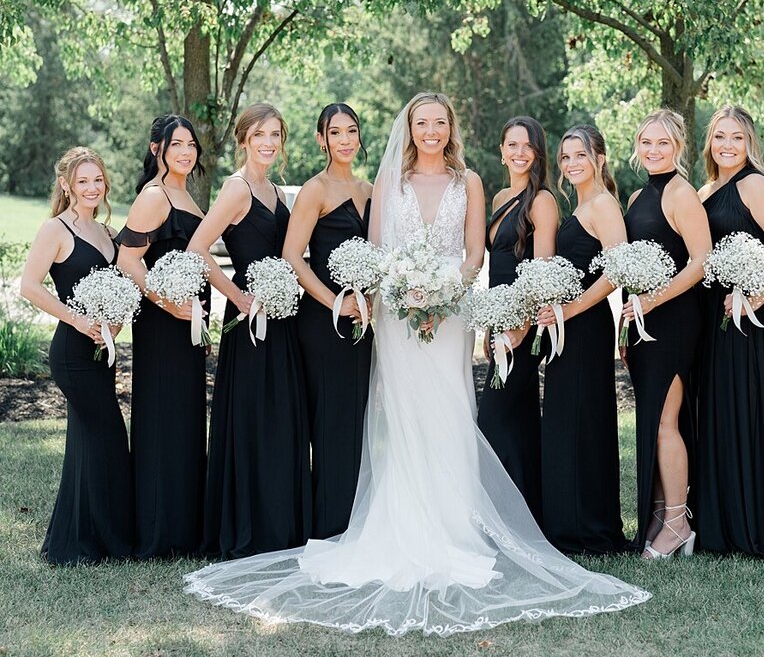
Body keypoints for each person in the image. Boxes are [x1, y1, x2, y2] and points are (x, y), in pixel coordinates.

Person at [183, 93, 649, 636]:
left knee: (449, 414)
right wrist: (403, 289)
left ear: (451, 128)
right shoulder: (389, 184)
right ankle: (399, 526)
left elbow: (475, 252)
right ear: (410, 128)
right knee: (402, 419)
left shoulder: (471, 183)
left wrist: (446, 287)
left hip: (449, 317)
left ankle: (455, 528)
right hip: (401, 318)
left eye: (439, 123)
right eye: (421, 123)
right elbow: (378, 247)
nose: (430, 131)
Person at [187, 103, 311, 558]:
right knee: (253, 419)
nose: (268, 142)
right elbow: (198, 247)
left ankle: (280, 523)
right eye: (260, 134)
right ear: (243, 139)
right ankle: (248, 526)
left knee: (279, 418)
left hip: (281, 317)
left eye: (276, 134)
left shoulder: (275, 190)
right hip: (248, 319)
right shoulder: (237, 189)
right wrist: (237, 297)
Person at [695, 105, 764, 561]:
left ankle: (755, 526)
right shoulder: (706, 188)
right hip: (714, 319)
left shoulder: (757, 184)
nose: (727, 145)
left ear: (750, 144)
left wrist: (757, 295)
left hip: (750, 322)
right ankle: (721, 526)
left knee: (749, 414)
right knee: (721, 415)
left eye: (736, 138)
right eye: (719, 136)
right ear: (709, 143)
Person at [19, 146, 133, 564]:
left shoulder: (106, 232)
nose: (91, 187)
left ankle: (82, 540)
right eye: (82, 181)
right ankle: (102, 541)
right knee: (107, 436)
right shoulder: (56, 229)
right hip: (71, 350)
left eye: (97, 180)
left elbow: (121, 286)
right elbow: (30, 285)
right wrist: (79, 319)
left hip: (104, 350)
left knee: (87, 441)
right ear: (66, 185)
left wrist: (115, 323)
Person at [115, 115, 209, 559]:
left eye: (191, 145)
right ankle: (158, 531)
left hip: (190, 329)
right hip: (162, 327)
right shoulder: (154, 197)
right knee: (161, 419)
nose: (186, 153)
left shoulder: (186, 196)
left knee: (185, 420)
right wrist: (168, 303)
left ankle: (183, 527)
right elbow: (128, 261)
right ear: (158, 150)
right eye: (177, 145)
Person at [619, 110, 710, 558]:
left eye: (663, 144)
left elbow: (700, 262)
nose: (653, 151)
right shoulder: (637, 196)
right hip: (640, 323)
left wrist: (652, 302)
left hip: (673, 322)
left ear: (678, 147)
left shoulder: (681, 193)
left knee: (664, 424)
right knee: (651, 421)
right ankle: (658, 513)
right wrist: (627, 319)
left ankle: (678, 523)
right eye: (646, 143)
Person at [535, 125, 630, 555]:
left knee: (582, 421)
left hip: (586, 327)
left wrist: (569, 311)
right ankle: (566, 521)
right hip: (565, 326)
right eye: (565, 158)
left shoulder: (604, 205)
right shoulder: (582, 204)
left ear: (600, 158)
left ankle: (586, 528)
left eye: (580, 155)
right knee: (565, 420)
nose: (572, 164)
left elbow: (617, 271)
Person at [282, 102, 374, 539]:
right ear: (321, 139)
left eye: (351, 131)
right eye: (334, 132)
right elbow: (292, 258)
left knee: (357, 420)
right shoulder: (314, 191)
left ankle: (355, 519)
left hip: (365, 323)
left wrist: (367, 298)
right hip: (323, 324)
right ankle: (327, 523)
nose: (344, 140)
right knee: (330, 421)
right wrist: (336, 303)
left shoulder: (371, 190)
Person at [476, 116, 558, 520]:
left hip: (523, 328)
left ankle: (497, 516)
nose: (519, 152)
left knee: (491, 418)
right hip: (498, 322)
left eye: (527, 146)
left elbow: (540, 273)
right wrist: (493, 327)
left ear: (538, 153)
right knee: (518, 419)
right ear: (501, 150)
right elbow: (496, 269)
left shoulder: (542, 201)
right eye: (512, 144)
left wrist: (518, 330)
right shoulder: (499, 198)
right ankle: (528, 517)